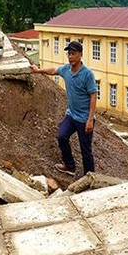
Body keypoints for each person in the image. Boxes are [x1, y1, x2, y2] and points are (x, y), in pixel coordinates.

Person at [30, 40, 97, 176]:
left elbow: (93, 95)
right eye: (69, 54)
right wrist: (38, 70)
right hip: (71, 115)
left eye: (73, 54)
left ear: (80, 54)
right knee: (62, 136)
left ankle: (90, 178)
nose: (70, 56)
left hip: (85, 118)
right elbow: (54, 70)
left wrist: (90, 119)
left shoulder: (87, 74)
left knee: (85, 150)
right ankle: (69, 166)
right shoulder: (66, 70)